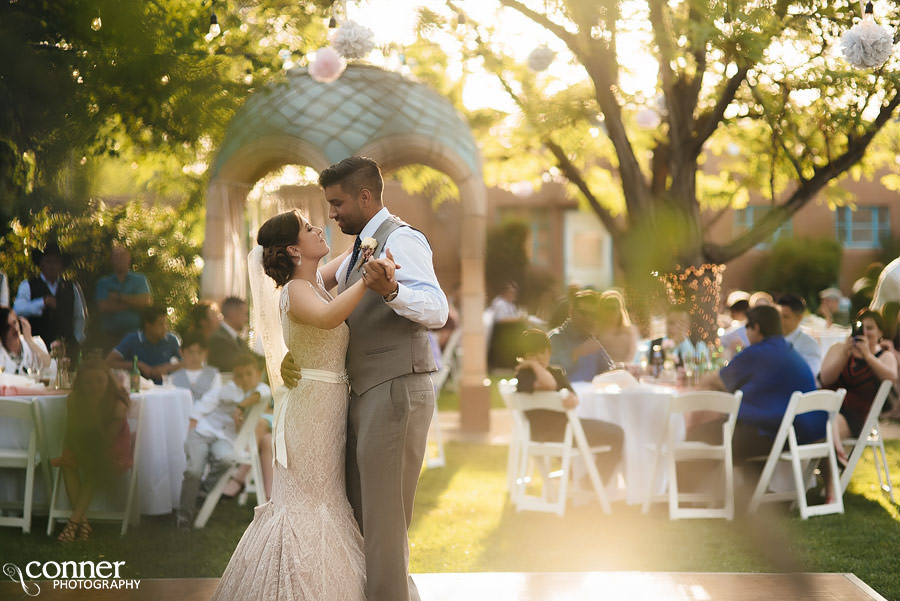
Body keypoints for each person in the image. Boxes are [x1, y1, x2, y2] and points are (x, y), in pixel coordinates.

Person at [277, 156, 447, 601]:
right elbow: (310, 300)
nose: (331, 214)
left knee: (384, 520)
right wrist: (289, 356)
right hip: (363, 393)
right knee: (364, 516)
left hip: (395, 389)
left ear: (365, 197)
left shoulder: (402, 240)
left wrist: (392, 290)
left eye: (336, 203)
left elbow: (437, 310)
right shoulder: (358, 249)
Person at [212, 202, 400, 598]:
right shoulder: (297, 290)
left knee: (327, 499)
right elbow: (331, 317)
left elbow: (346, 260)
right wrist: (365, 282)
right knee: (309, 502)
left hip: (327, 404)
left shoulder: (313, 280)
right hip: (311, 409)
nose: (320, 230)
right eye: (309, 228)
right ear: (294, 250)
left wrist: (371, 242)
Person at [689, 305, 823, 466]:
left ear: (756, 328)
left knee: (700, 433)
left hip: (774, 435)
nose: (746, 333)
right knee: (722, 428)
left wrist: (696, 383)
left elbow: (717, 380)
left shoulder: (758, 352)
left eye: (747, 328)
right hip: (800, 433)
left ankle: (690, 488)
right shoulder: (789, 350)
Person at [515, 329, 623, 482]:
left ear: (549, 352)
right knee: (617, 435)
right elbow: (549, 384)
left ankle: (587, 481)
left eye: (543, 352)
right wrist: (534, 366)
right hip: (554, 434)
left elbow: (574, 397)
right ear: (524, 357)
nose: (539, 357)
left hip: (565, 432)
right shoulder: (524, 376)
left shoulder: (557, 373)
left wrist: (571, 399)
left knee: (616, 432)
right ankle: (591, 484)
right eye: (533, 354)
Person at [176, 353, 271, 527]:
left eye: (249, 374)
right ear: (234, 376)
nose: (244, 379)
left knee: (227, 458)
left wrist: (241, 407)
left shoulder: (261, 390)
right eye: (239, 375)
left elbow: (263, 391)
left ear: (258, 374)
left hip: (226, 438)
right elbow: (204, 407)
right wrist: (192, 426)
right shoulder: (228, 390)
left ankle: (203, 491)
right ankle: (184, 516)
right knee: (194, 470)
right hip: (204, 432)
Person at [50, 359, 133, 542]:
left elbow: (105, 443)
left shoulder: (117, 404)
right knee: (68, 462)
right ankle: (83, 524)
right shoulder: (74, 400)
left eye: (99, 381)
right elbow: (71, 433)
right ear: (81, 383)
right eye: (88, 382)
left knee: (95, 464)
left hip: (111, 449)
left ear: (108, 381)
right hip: (84, 445)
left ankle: (72, 524)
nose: (94, 386)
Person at [819, 309, 898, 455]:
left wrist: (867, 355)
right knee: (818, 425)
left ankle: (838, 460)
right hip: (826, 407)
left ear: (880, 332)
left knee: (827, 427)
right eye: (862, 328)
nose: (865, 332)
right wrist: (844, 354)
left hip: (854, 416)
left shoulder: (884, 356)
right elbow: (826, 378)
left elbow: (891, 377)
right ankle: (833, 468)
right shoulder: (839, 349)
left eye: (870, 328)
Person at [14, 241, 86, 359]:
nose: (52, 266)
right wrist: (42, 302)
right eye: (48, 261)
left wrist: (76, 340)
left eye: (56, 262)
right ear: (41, 264)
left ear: (61, 266)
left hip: (66, 348)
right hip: (37, 347)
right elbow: (18, 310)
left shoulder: (71, 287)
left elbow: (80, 316)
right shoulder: (28, 285)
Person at [95, 244, 153, 351]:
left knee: (135, 365)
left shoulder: (140, 280)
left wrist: (119, 297)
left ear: (128, 258)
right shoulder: (104, 283)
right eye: (116, 257)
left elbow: (146, 301)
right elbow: (103, 307)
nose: (119, 260)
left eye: (122, 256)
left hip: (136, 336)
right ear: (111, 260)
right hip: (110, 337)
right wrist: (133, 303)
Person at [549, 290, 614, 382]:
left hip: (592, 394)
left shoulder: (591, 340)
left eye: (592, 315)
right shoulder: (556, 338)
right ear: (571, 312)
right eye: (583, 313)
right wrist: (576, 353)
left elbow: (608, 370)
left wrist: (623, 368)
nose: (588, 318)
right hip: (567, 394)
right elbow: (549, 371)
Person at [106, 306, 182, 385]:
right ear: (148, 325)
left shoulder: (171, 340)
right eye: (161, 324)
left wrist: (166, 368)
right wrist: (138, 365)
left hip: (165, 389)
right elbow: (109, 362)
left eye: (166, 323)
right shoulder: (132, 339)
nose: (165, 327)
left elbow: (186, 363)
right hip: (138, 389)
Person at [168, 330, 222, 402]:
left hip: (207, 412)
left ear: (206, 353)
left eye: (199, 352)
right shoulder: (173, 378)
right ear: (181, 352)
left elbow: (214, 399)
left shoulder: (214, 375)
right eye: (190, 352)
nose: (195, 357)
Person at [777, 294, 822, 377]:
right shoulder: (769, 339)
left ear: (799, 318)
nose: (780, 321)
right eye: (778, 316)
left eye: (785, 317)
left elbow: (811, 374)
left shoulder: (810, 345)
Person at [207, 297, 256, 372]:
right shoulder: (219, 339)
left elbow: (254, 357)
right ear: (233, 314)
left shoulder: (235, 338)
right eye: (245, 314)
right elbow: (237, 365)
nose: (246, 319)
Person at [0, 307, 51, 376]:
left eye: (15, 322)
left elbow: (49, 365)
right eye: (8, 327)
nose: (15, 329)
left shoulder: (36, 342)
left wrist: (30, 341)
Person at [595, 289, 639, 364]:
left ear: (620, 310)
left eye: (614, 308)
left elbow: (632, 354)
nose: (611, 311)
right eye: (607, 308)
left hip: (625, 369)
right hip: (603, 370)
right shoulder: (597, 331)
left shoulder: (630, 330)